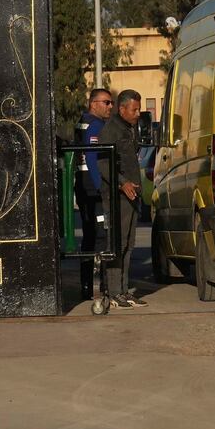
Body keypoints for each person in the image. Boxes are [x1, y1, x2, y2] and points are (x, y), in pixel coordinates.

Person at [90, 88, 147, 308]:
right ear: (122, 109)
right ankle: (114, 292)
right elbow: (103, 164)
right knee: (117, 243)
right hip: (117, 197)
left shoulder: (128, 128)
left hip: (132, 195)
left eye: (139, 109)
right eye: (134, 109)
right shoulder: (110, 131)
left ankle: (123, 290)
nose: (138, 113)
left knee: (129, 245)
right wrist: (122, 183)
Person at [71, 88, 112, 298]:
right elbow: (93, 158)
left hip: (82, 185)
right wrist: (101, 187)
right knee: (100, 236)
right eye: (106, 103)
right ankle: (99, 286)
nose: (110, 107)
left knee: (89, 237)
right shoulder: (95, 125)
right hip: (93, 187)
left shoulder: (82, 122)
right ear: (93, 103)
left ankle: (86, 285)